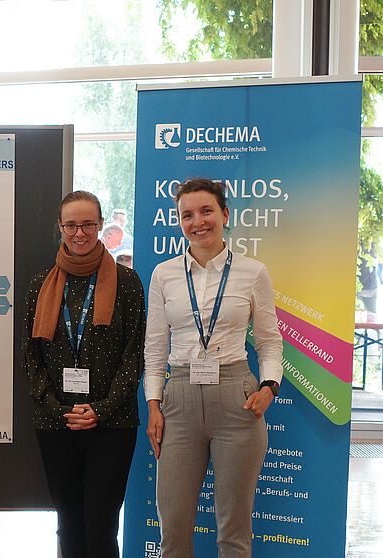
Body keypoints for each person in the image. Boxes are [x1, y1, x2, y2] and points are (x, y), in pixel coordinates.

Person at [144, 178, 282, 558]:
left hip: (237, 400)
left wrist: (269, 386)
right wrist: (153, 405)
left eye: (206, 211)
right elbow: (155, 347)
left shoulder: (253, 272)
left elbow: (269, 341)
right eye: (187, 215)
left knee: (233, 532)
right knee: (172, 530)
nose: (197, 222)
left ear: (224, 214)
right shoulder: (163, 274)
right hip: (179, 400)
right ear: (179, 221)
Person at [23, 190, 146, 558]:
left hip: (113, 424)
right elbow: (31, 358)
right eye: (72, 225)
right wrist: (58, 408)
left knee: (102, 528)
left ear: (101, 224)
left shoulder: (127, 282)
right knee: (69, 526)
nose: (80, 233)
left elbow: (134, 355)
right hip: (56, 422)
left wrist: (100, 409)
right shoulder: (39, 285)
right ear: (60, 227)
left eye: (88, 224)